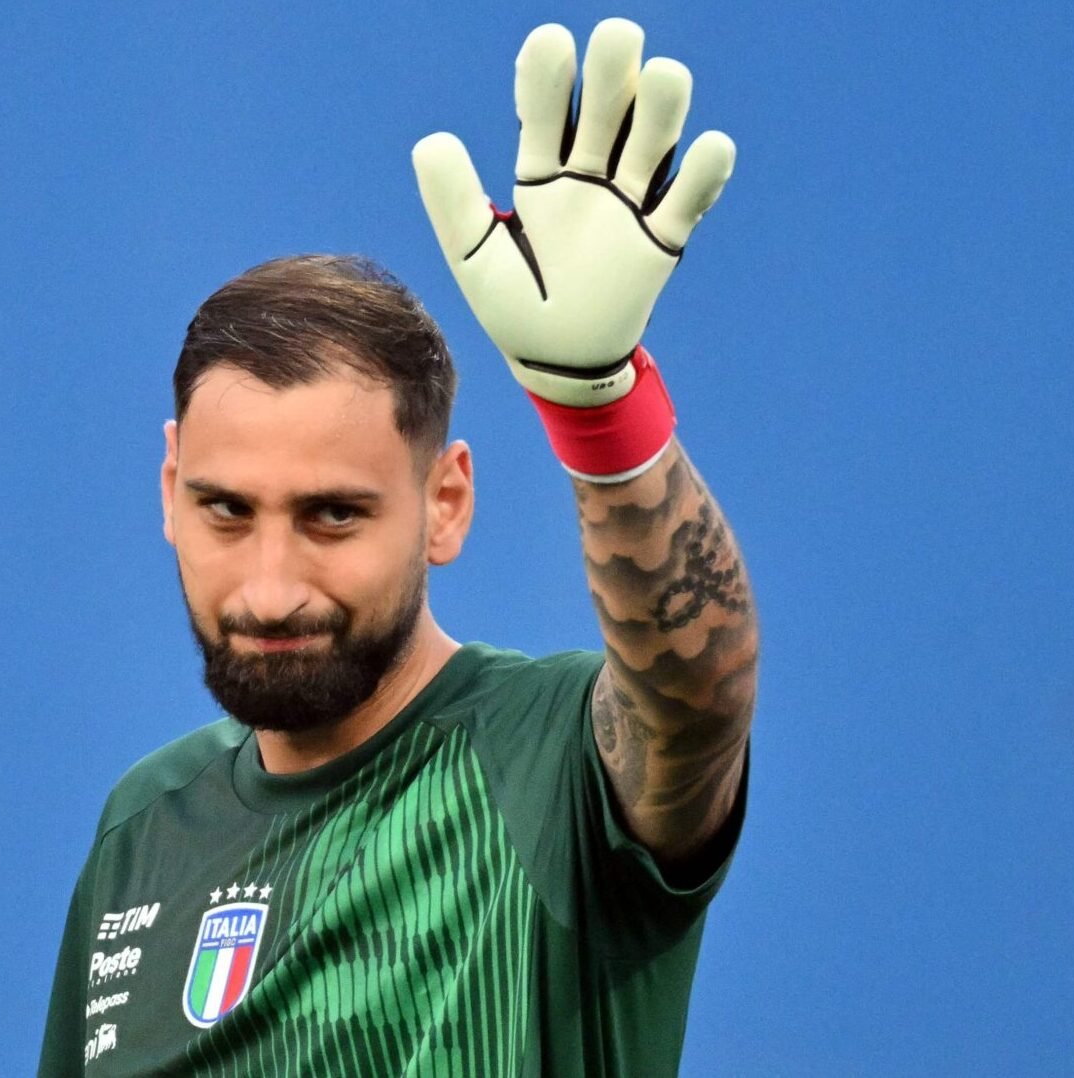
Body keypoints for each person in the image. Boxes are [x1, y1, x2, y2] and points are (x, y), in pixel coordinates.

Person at [39, 17, 756, 1076]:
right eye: (226, 510)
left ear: (446, 503)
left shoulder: (548, 761)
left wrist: (598, 410)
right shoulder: (142, 826)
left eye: (333, 515)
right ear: (168, 490)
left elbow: (695, 702)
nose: (270, 588)